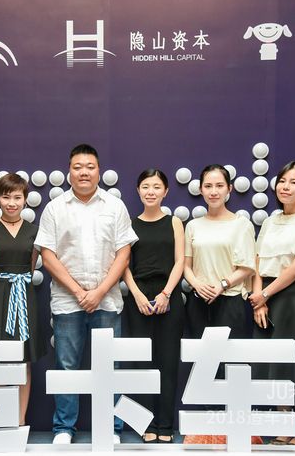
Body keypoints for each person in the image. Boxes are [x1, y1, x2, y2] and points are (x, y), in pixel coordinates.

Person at [35, 144, 138, 445]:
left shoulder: (114, 206)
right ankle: (64, 428)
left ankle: (112, 427)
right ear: (69, 171)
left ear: (99, 171)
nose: (84, 172)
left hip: (107, 299)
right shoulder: (55, 208)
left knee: (110, 365)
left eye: (90, 167)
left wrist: (99, 291)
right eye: (78, 167)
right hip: (68, 300)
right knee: (67, 365)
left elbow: (124, 253)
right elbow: (47, 255)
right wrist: (80, 292)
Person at [249, 161, 295, 446]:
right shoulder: (269, 221)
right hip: (265, 296)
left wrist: (265, 295)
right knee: (274, 363)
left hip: (291, 295)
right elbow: (257, 261)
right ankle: (284, 426)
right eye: (282, 181)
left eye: (293, 182)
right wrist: (258, 299)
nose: (285, 187)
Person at [0, 173, 46, 426]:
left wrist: (16, 288)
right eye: (6, 197)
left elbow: (30, 267)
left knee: (23, 360)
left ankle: (19, 420)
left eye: (17, 197)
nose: (12, 203)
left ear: (25, 200)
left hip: (25, 297)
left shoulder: (34, 232)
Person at [122, 169, 184, 443]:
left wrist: (166, 293)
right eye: (146, 186)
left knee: (167, 361)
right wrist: (136, 294)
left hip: (168, 295)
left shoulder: (175, 222)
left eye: (156, 187)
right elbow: (123, 265)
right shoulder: (129, 224)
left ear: (165, 191)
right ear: (138, 191)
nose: (151, 191)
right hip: (138, 297)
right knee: (142, 362)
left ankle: (165, 426)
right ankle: (146, 425)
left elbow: (180, 261)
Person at [183, 164, 256, 341]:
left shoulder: (242, 224)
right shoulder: (193, 225)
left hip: (230, 300)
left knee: (230, 356)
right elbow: (186, 266)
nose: (213, 192)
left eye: (219, 186)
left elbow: (247, 268)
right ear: (200, 190)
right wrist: (197, 285)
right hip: (198, 300)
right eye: (208, 186)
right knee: (198, 355)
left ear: (229, 188)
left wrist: (222, 285)